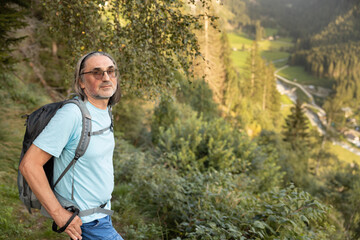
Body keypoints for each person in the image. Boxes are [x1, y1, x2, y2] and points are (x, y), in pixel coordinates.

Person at [19, 51, 123, 240]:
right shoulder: (72, 115)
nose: (106, 77)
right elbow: (29, 165)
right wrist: (59, 214)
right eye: (97, 72)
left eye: (111, 71)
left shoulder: (105, 110)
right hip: (87, 223)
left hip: (102, 215)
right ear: (81, 82)